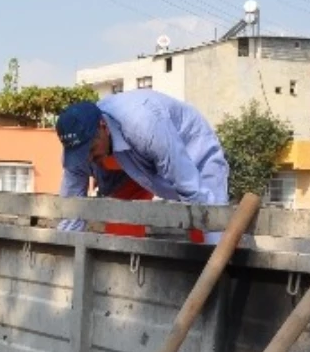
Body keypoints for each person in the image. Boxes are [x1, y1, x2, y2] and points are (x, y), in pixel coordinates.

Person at [56, 91, 229, 242]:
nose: (88, 159)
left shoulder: (144, 127)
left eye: (91, 150)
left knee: (212, 231)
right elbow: (71, 212)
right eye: (80, 154)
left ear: (103, 127)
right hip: (132, 166)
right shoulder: (76, 151)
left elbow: (192, 190)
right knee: (120, 234)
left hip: (190, 150)